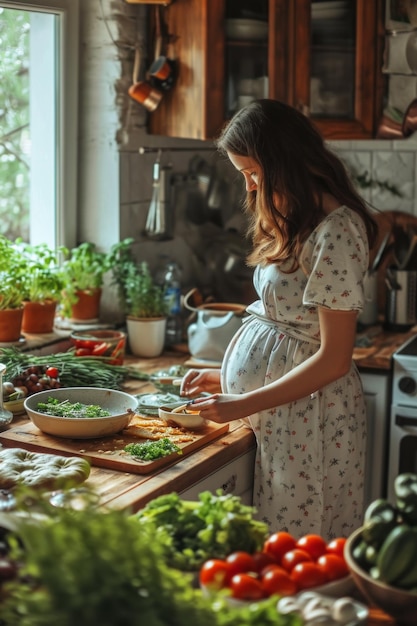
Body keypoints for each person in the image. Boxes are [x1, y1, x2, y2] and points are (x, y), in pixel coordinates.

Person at [180, 99, 378, 540]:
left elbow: (333, 358)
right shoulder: (294, 219)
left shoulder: (337, 231)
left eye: (253, 173)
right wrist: (225, 379)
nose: (249, 188)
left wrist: (242, 401)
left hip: (311, 420)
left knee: (297, 550)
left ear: (284, 163)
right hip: (281, 416)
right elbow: (286, 329)